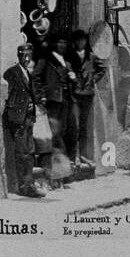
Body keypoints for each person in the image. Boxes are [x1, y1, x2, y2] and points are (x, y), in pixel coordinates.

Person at [2, 44, 45, 198]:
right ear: (19, 56)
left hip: (28, 118)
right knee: (22, 153)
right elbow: (8, 97)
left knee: (29, 151)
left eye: (29, 56)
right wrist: (14, 113)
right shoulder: (12, 73)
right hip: (18, 119)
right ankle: (24, 186)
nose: (26, 59)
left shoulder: (27, 73)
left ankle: (29, 183)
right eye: (23, 56)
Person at [35, 35, 76, 188]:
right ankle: (51, 174)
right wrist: (42, 96)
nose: (62, 45)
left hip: (65, 101)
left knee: (62, 133)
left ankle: (61, 174)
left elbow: (70, 79)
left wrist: (73, 78)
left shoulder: (66, 61)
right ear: (54, 44)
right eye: (60, 41)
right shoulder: (46, 60)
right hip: (52, 101)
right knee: (52, 136)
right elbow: (36, 77)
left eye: (64, 42)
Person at [68, 28, 105, 168]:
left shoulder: (92, 56)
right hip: (76, 94)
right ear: (75, 42)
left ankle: (84, 156)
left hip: (88, 95)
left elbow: (103, 69)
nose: (80, 42)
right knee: (75, 127)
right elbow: (68, 69)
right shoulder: (71, 56)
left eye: (82, 40)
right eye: (78, 40)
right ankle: (75, 156)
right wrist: (72, 77)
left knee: (84, 127)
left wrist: (92, 80)